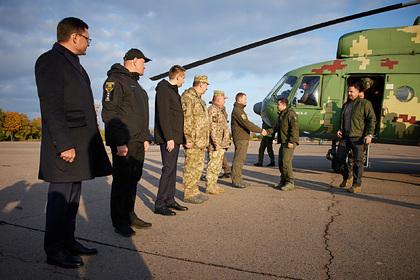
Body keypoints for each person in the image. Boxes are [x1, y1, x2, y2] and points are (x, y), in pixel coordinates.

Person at [35, 17, 112, 268]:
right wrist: (64, 144)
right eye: (88, 39)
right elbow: (52, 107)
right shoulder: (50, 61)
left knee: (72, 198)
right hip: (66, 144)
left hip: (78, 143)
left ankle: (68, 241)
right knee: (60, 198)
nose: (89, 43)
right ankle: (54, 250)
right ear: (75, 37)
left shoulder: (75, 64)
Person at [102, 48, 153, 237]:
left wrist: (145, 137)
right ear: (133, 61)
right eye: (143, 62)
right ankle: (119, 221)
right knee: (122, 182)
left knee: (133, 180)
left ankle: (130, 214)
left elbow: (140, 115)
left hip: (138, 141)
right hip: (125, 142)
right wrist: (119, 141)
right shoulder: (115, 81)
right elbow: (110, 112)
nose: (144, 66)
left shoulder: (136, 85)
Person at [154, 65, 189, 216]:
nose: (184, 81)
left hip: (175, 137)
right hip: (169, 138)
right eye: (183, 78)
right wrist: (169, 138)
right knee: (167, 169)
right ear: (177, 76)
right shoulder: (163, 89)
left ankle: (170, 199)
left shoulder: (173, 91)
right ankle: (160, 203)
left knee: (173, 170)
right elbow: (163, 115)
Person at [336, 81, 376, 193]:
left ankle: (357, 185)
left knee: (358, 162)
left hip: (358, 137)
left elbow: (371, 119)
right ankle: (347, 176)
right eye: (348, 91)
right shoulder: (346, 105)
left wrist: (369, 134)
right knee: (338, 159)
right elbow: (343, 119)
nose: (349, 93)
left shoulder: (365, 104)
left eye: (352, 91)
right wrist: (340, 129)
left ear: (358, 92)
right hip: (345, 137)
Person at [181, 75, 210, 203]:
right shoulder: (188, 98)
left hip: (201, 140)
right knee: (191, 167)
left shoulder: (200, 100)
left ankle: (194, 190)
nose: (207, 88)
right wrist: (187, 137)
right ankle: (188, 193)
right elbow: (186, 119)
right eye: (206, 85)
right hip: (193, 140)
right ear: (200, 84)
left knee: (198, 167)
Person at [231, 92, 267, 188]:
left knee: (241, 159)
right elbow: (247, 124)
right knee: (238, 159)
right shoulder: (238, 111)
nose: (246, 101)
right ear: (240, 99)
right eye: (245, 99)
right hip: (240, 138)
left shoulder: (240, 110)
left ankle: (238, 178)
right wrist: (260, 130)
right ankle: (236, 180)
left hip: (242, 138)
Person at [206, 90, 230, 194]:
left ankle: (214, 185)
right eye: (223, 100)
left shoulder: (219, 110)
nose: (224, 102)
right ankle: (210, 187)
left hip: (221, 144)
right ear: (218, 100)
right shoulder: (213, 110)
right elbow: (213, 128)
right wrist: (216, 143)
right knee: (213, 166)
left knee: (217, 166)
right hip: (216, 144)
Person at [274, 98, 299, 191]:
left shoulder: (290, 114)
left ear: (283, 105)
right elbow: (276, 128)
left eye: (278, 104)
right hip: (283, 142)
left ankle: (290, 182)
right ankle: (283, 181)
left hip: (289, 142)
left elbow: (295, 128)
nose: (277, 106)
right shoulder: (281, 115)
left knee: (286, 162)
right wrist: (266, 132)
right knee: (280, 162)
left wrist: (292, 141)